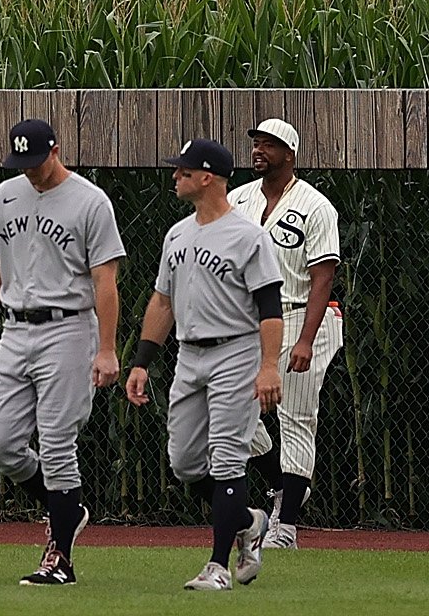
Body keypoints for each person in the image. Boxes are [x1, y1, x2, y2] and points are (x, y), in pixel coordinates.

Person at [0, 117, 125, 587]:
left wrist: (107, 349)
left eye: (37, 161)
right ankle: (68, 509)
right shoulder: (6, 195)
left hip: (68, 329)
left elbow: (105, 281)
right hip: (15, 330)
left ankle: (60, 556)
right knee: (3, 448)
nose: (31, 170)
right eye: (22, 162)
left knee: (57, 444)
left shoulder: (90, 201)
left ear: (56, 150)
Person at [126, 139, 286, 591]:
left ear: (207, 177)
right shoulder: (177, 234)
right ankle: (248, 521)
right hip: (189, 354)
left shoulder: (247, 235)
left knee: (228, 457)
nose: (175, 176)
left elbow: (269, 307)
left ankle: (217, 567)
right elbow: (162, 301)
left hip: (236, 351)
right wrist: (142, 362)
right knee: (184, 462)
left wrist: (269, 365)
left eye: (182, 170)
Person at [234, 117, 341, 551]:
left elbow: (324, 277)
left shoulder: (315, 206)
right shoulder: (237, 199)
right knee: (233, 417)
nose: (259, 149)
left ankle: (286, 527)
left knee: (295, 417)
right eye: (256, 142)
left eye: (269, 144)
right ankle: (285, 485)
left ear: (289, 154)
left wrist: (305, 341)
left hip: (300, 315)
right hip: (250, 323)